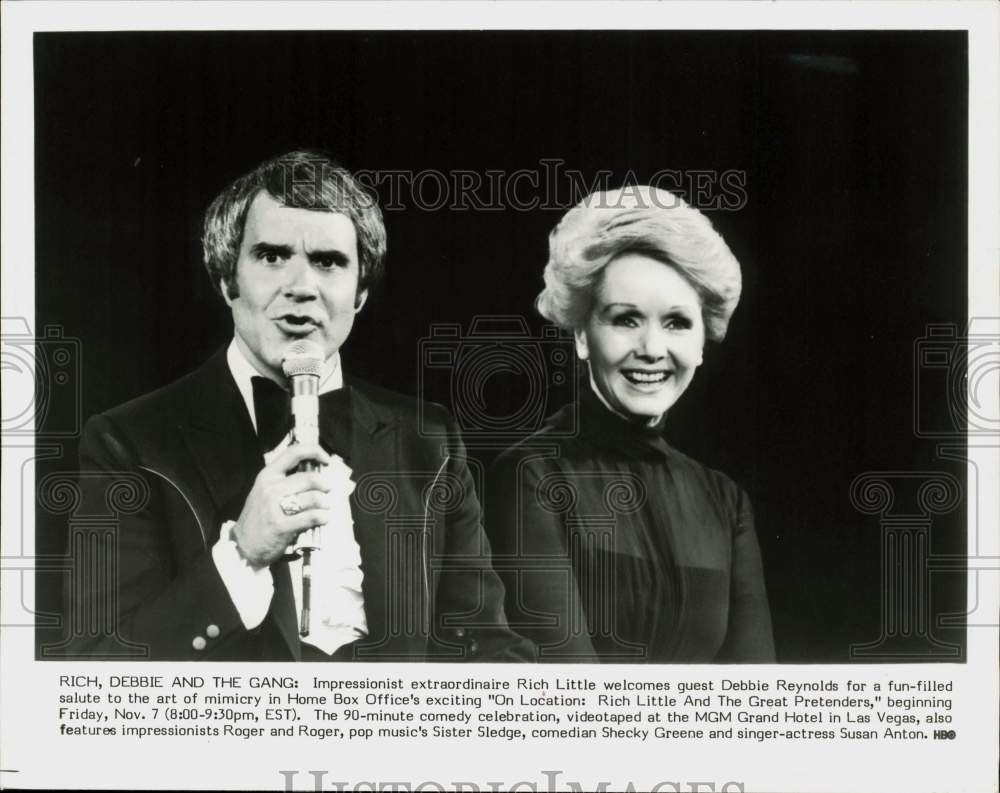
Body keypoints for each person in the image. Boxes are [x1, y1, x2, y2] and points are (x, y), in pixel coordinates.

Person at [65, 150, 533, 662]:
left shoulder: (430, 439)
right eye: (271, 256)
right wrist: (242, 554)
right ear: (227, 280)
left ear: (359, 294)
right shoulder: (126, 441)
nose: (302, 287)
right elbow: (94, 667)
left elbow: (487, 651)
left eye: (328, 262)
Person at [486, 186, 774, 663]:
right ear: (581, 333)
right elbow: (571, 694)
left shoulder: (725, 502)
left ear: (703, 342)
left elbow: (758, 699)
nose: (652, 349)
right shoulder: (530, 478)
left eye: (677, 323)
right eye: (626, 320)